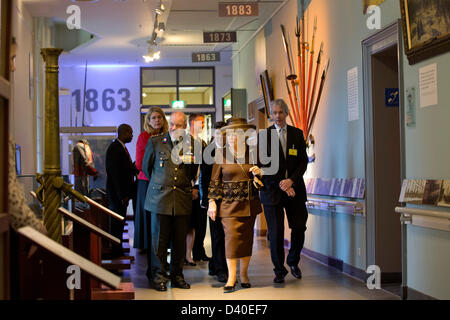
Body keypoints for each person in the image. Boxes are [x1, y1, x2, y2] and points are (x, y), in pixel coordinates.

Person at [143, 111, 200, 291]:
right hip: (160, 199)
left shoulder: (192, 145)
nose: (175, 128)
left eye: (179, 125)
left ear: (185, 127)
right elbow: (147, 167)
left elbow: (192, 171)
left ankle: (177, 276)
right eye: (173, 124)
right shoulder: (156, 142)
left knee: (179, 242)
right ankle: (158, 276)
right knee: (158, 242)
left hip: (181, 199)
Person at [207, 118, 263, 293]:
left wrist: (260, 175)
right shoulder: (220, 155)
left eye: (237, 134)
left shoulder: (253, 154)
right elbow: (214, 182)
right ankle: (231, 278)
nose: (233, 138)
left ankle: (244, 275)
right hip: (228, 206)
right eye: (230, 134)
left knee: (246, 240)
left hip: (249, 204)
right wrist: (212, 202)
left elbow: (262, 178)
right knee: (231, 239)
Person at [259, 99, 309, 284]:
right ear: (271, 114)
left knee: (299, 227)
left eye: (281, 112)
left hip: (295, 190)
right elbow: (263, 165)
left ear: (286, 113)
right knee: (276, 232)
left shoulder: (297, 134)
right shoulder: (264, 136)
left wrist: (291, 182)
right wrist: (282, 183)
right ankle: (279, 269)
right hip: (273, 191)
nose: (277, 116)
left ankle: (293, 261)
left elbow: (303, 162)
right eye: (274, 113)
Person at [134, 107, 168, 254]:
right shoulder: (144, 137)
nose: (157, 120)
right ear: (148, 120)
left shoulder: (167, 136)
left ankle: (160, 245)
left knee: (161, 215)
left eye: (159, 117)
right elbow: (140, 163)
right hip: (147, 181)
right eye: (153, 118)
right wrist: (157, 173)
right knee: (147, 215)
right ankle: (148, 245)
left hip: (163, 182)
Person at [201, 121, 228, 283]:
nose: (220, 136)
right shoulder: (208, 151)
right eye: (218, 133)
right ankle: (221, 270)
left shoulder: (231, 150)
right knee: (217, 235)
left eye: (223, 134)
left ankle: (214, 263)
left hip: (229, 199)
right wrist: (207, 200)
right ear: (213, 135)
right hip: (214, 199)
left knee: (227, 235)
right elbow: (204, 178)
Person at [105, 124, 136, 259]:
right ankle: (116, 253)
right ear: (124, 133)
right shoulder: (115, 149)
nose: (132, 135)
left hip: (121, 195)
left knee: (120, 223)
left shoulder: (121, 148)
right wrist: (122, 195)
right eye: (131, 133)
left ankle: (119, 252)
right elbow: (115, 175)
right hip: (117, 195)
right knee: (116, 225)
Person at [186, 113, 210, 265]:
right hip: (192, 188)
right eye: (198, 122)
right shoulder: (186, 142)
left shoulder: (202, 142)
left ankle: (199, 251)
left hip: (203, 188)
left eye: (203, 123)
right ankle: (188, 254)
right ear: (190, 123)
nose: (201, 125)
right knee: (191, 223)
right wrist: (193, 187)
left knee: (201, 222)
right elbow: (188, 168)